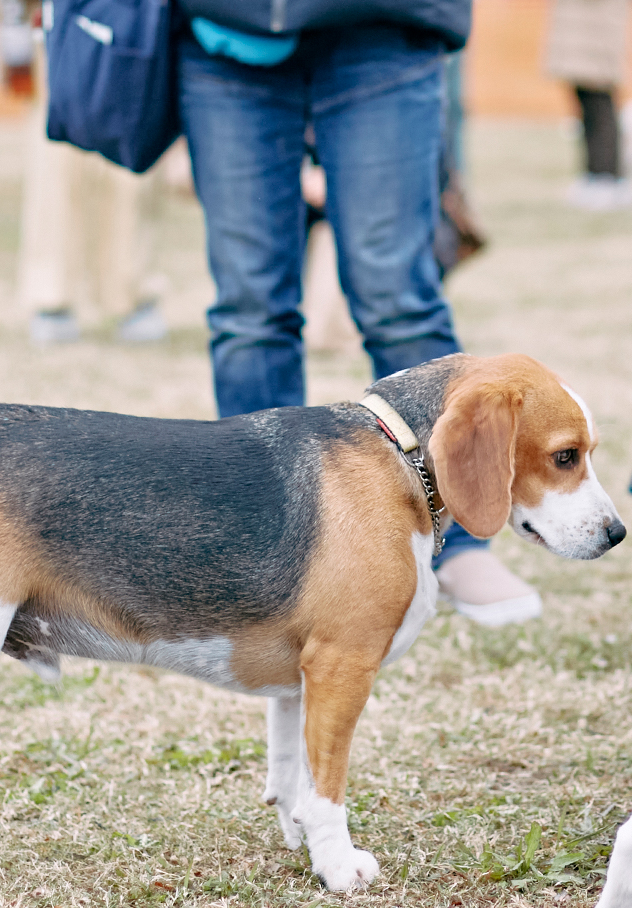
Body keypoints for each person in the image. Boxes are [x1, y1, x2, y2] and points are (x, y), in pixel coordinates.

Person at [176, 0, 542, 626]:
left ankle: (459, 543)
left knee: (398, 299)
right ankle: (262, 540)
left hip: (382, 26)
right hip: (227, 31)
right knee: (249, 309)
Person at [17, 8, 168, 346]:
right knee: (55, 160)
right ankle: (51, 297)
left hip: (136, 20)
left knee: (134, 152)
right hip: (61, 23)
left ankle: (133, 293)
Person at [544, 0, 632, 211]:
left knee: (600, 99)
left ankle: (608, 176)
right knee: (586, 99)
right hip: (580, 21)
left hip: (599, 22)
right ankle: (593, 174)